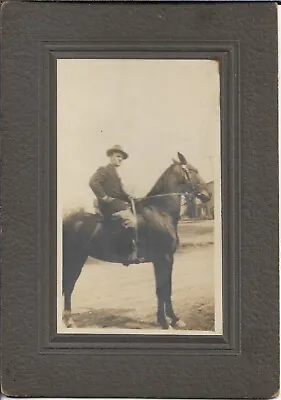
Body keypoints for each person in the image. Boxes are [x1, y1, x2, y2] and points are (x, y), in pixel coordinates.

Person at [89, 145, 139, 264]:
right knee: (131, 220)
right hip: (109, 205)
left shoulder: (116, 175)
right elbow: (93, 182)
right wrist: (104, 197)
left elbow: (120, 192)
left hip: (117, 204)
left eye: (121, 157)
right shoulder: (104, 170)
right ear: (111, 157)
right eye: (117, 156)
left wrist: (130, 198)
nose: (120, 159)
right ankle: (126, 253)